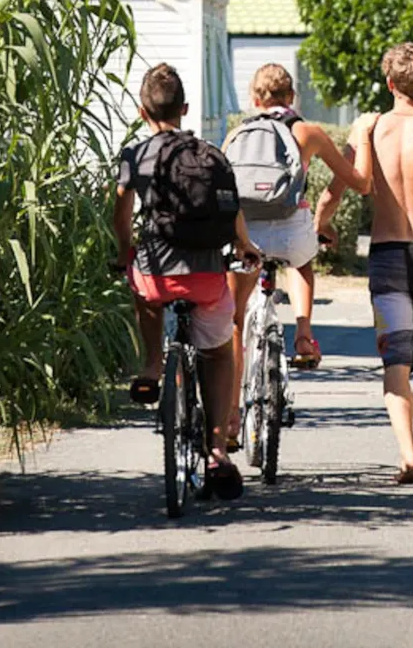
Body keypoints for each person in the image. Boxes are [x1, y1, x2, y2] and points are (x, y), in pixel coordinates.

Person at [319, 42, 413, 484]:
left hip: (386, 255)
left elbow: (336, 189)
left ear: (389, 84)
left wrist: (321, 223)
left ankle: (407, 453)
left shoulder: (369, 130)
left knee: (395, 363)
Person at [113, 62, 258, 499]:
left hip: (157, 276)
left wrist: (124, 251)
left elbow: (121, 212)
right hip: (207, 277)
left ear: (143, 112)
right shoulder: (212, 155)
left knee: (141, 286)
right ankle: (217, 451)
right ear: (186, 109)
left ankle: (152, 364)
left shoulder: (136, 155)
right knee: (218, 353)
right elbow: (232, 211)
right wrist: (246, 247)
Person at [223, 63, 373, 452]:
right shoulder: (307, 132)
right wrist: (361, 140)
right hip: (291, 231)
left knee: (235, 323)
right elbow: (360, 183)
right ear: (291, 97)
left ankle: (229, 418)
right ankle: (304, 335)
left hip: (246, 233)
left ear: (254, 98)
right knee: (302, 261)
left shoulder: (236, 134)